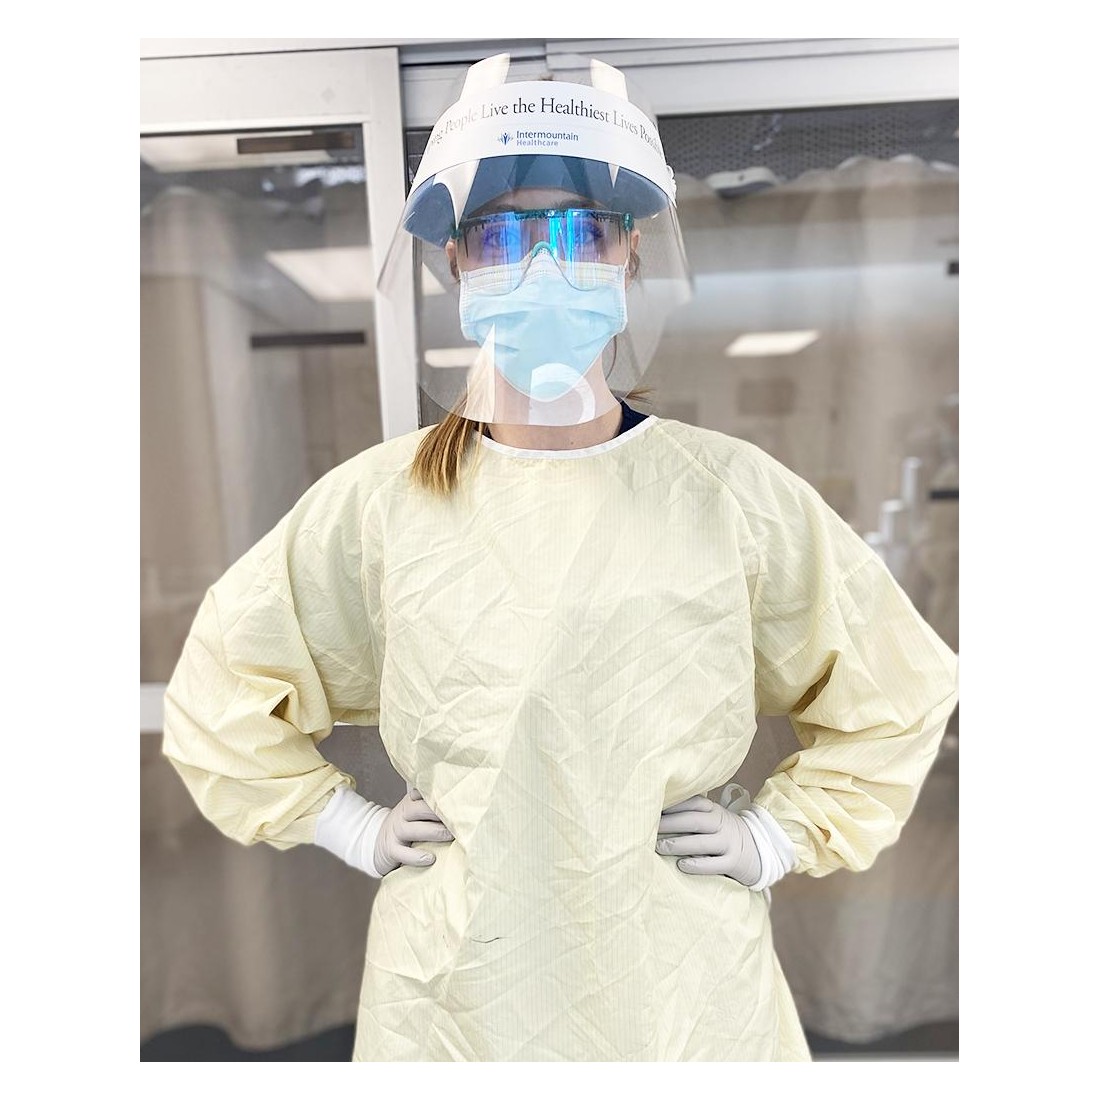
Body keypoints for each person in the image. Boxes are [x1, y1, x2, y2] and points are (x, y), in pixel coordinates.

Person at [161, 54, 959, 1062]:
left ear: (629, 252)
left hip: (673, 980)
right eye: (502, 234)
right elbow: (223, 688)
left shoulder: (729, 495)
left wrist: (777, 835)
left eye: (580, 232)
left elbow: (893, 688)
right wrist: (343, 823)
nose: (543, 266)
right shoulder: (380, 502)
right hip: (458, 989)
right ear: (456, 260)